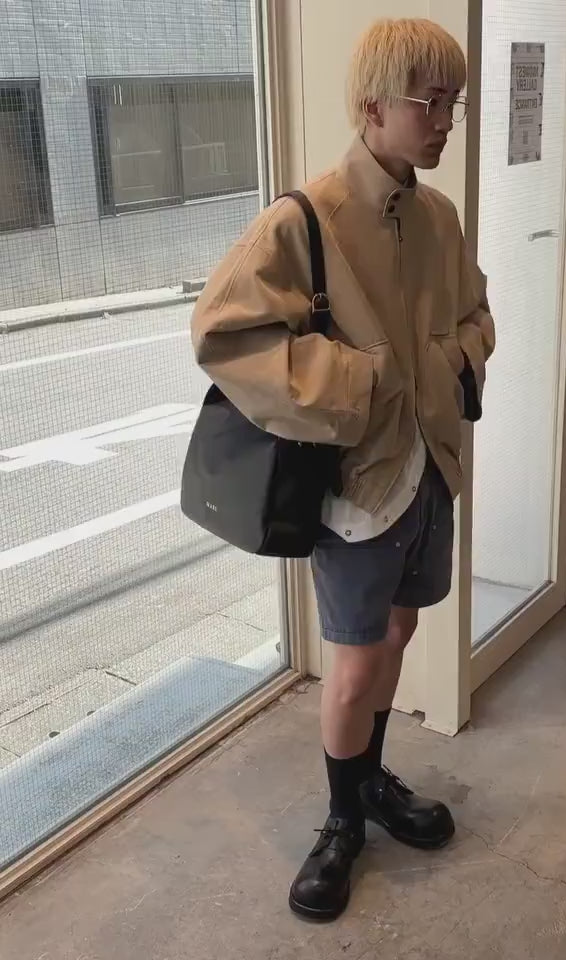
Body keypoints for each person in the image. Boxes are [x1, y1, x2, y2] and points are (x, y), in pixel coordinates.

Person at [191, 17, 495, 921]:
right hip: (358, 488)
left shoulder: (438, 218)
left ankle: (367, 779)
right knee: (356, 665)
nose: (444, 122)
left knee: (398, 634)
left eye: (453, 103)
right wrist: (363, 381)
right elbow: (223, 334)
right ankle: (340, 820)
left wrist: (445, 359)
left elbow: (478, 315)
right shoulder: (305, 218)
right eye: (429, 102)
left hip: (430, 469)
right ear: (372, 106)